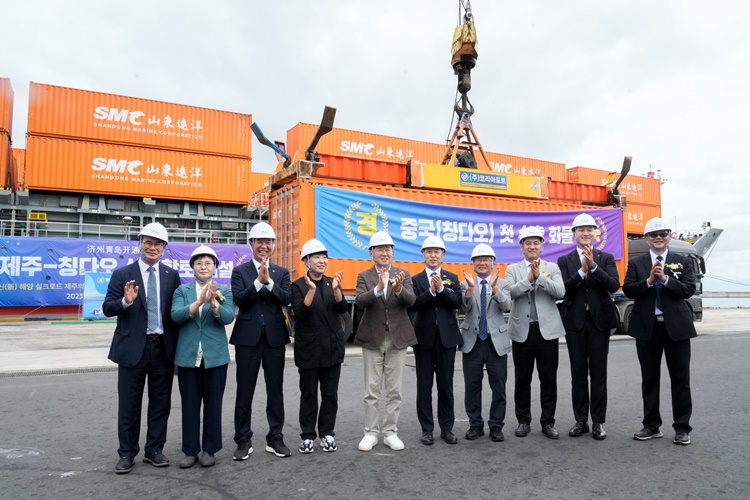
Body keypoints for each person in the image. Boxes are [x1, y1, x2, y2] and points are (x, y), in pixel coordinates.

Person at [102, 222, 181, 474]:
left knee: (160, 404)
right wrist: (125, 302)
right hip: (132, 349)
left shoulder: (171, 275)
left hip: (163, 349)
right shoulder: (122, 274)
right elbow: (107, 308)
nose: (152, 247)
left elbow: (175, 312)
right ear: (140, 244)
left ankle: (154, 450)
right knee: (129, 404)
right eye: (148, 242)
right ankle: (126, 453)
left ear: (164, 247)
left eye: (157, 244)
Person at [623, 217, 697, 445]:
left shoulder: (682, 261)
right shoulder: (636, 263)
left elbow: (688, 289)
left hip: (677, 328)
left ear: (669, 237)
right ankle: (651, 425)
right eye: (653, 234)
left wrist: (664, 279)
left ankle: (682, 428)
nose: (658, 238)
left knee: (681, 380)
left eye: (663, 234)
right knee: (650, 379)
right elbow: (628, 290)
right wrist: (648, 280)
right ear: (646, 238)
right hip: (648, 328)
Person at [230, 222, 293, 459]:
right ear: (251, 244)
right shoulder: (240, 271)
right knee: (244, 391)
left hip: (274, 338)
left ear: (274, 245)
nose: (264, 246)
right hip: (247, 339)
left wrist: (269, 282)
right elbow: (239, 299)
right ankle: (243, 439)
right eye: (259, 242)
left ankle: (275, 437)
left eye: (268, 242)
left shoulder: (282, 273)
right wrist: (258, 282)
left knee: (275, 390)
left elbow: (286, 299)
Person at [171, 245, 235, 468]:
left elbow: (228, 318)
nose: (203, 266)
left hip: (215, 356)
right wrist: (198, 302)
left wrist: (213, 303)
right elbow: (176, 315)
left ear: (215, 267)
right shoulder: (182, 291)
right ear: (192, 267)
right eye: (198, 263)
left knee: (213, 405)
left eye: (208, 262)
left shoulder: (224, 290)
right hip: (188, 356)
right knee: (189, 405)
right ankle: (190, 451)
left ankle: (210, 449)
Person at [557, 213, 620, 440]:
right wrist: (581, 272)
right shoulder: (565, 261)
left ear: (595, 233)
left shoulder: (606, 258)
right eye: (581, 230)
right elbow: (563, 289)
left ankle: (598, 422)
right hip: (575, 323)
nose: (585, 233)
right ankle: (580, 420)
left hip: (599, 322)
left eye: (589, 229)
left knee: (599, 374)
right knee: (578, 373)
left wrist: (593, 268)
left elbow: (614, 285)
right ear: (574, 234)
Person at [354, 231, 417, 452]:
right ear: (371, 253)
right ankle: (370, 432)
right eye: (380, 249)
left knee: (394, 390)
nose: (384, 253)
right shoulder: (364, 276)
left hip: (397, 337)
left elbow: (411, 301)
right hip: (373, 337)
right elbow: (360, 301)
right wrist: (378, 290)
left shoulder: (403, 274)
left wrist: (399, 290)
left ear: (393, 253)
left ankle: (390, 432)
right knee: (371, 390)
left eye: (388, 249)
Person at [505, 226, 566, 440]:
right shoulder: (512, 269)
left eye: (536, 243)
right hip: (522, 331)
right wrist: (529, 279)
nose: (532, 246)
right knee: (522, 379)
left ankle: (548, 422)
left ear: (542, 246)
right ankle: (523, 421)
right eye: (528, 243)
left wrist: (540, 278)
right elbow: (510, 293)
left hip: (546, 332)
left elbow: (560, 291)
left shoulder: (552, 267)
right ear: (521, 247)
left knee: (548, 379)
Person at [291, 239, 347, 454]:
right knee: (308, 394)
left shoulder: (332, 283)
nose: (322, 260)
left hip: (332, 347)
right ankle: (307, 435)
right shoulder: (297, 285)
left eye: (324, 257)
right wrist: (311, 291)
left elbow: (342, 308)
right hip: (309, 349)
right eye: (316, 257)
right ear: (306, 261)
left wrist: (337, 291)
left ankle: (327, 433)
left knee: (330, 394)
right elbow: (300, 313)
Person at [410, 236, 462, 446]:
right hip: (423, 338)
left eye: (437, 251)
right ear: (423, 255)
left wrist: (441, 289)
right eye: (429, 251)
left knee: (446, 385)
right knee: (424, 386)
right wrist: (431, 291)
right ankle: (427, 429)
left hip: (447, 339)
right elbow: (413, 304)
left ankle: (447, 428)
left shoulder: (452, 277)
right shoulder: (415, 280)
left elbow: (457, 302)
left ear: (443, 255)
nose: (433, 255)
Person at [459, 243, 512, 443]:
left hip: (495, 341)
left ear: (493, 262)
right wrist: (470, 290)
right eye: (478, 260)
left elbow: (507, 306)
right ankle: (475, 425)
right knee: (472, 386)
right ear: (472, 263)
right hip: (472, 342)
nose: (482, 263)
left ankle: (496, 425)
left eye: (486, 259)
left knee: (498, 386)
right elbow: (463, 309)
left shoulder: (503, 283)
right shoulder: (465, 284)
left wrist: (495, 287)